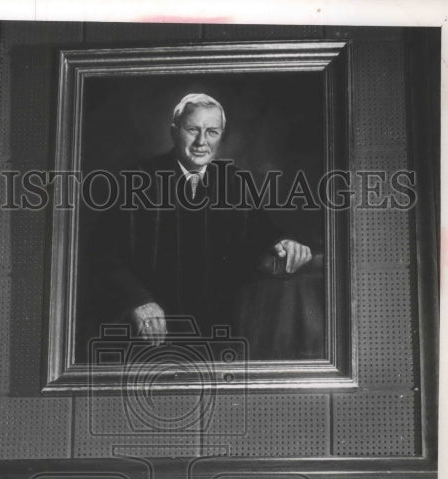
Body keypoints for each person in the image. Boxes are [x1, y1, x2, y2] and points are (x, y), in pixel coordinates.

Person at [86, 93, 314, 348]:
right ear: (174, 132)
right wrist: (137, 300)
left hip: (215, 335)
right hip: (148, 336)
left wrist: (284, 245)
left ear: (221, 135)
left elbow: (261, 237)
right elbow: (102, 255)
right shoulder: (136, 180)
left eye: (212, 132)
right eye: (192, 129)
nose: (201, 142)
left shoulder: (234, 182)